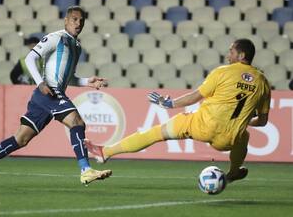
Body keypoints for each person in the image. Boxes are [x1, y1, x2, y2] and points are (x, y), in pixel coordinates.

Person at [0, 6, 112, 188]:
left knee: (21, 139)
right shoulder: (56, 38)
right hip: (48, 91)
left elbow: (68, 76)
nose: (78, 23)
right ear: (66, 20)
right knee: (77, 122)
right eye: (74, 19)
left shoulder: (77, 46)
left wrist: (87, 82)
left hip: (47, 96)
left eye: (81, 20)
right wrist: (40, 83)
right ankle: (85, 170)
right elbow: (30, 58)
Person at [85, 38, 271, 183]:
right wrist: (242, 122)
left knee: (157, 133)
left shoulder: (223, 72)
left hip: (202, 125)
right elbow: (262, 121)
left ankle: (106, 152)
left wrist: (169, 104)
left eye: (231, 51)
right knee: (243, 136)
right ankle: (233, 172)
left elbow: (195, 96)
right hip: (227, 139)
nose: (227, 55)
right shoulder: (262, 82)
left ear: (241, 55)